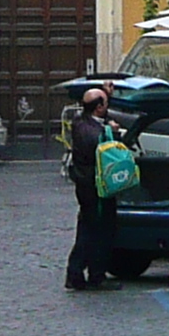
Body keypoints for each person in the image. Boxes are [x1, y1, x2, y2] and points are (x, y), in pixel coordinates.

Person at [64, 86, 119, 292]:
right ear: (98, 108)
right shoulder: (89, 131)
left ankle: (84, 273)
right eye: (104, 104)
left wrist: (108, 94)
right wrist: (112, 133)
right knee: (96, 231)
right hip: (93, 187)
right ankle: (84, 273)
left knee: (91, 229)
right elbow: (99, 146)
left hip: (90, 185)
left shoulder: (80, 119)